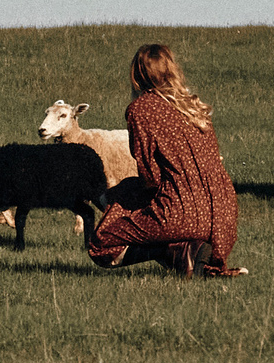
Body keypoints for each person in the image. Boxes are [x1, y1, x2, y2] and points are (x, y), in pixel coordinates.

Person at [86, 42, 244, 277]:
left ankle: (174, 249)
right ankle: (190, 252)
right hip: (222, 219)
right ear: (172, 70)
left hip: (180, 213)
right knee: (128, 188)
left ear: (137, 75)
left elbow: (151, 177)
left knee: (100, 245)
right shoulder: (195, 107)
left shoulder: (141, 109)